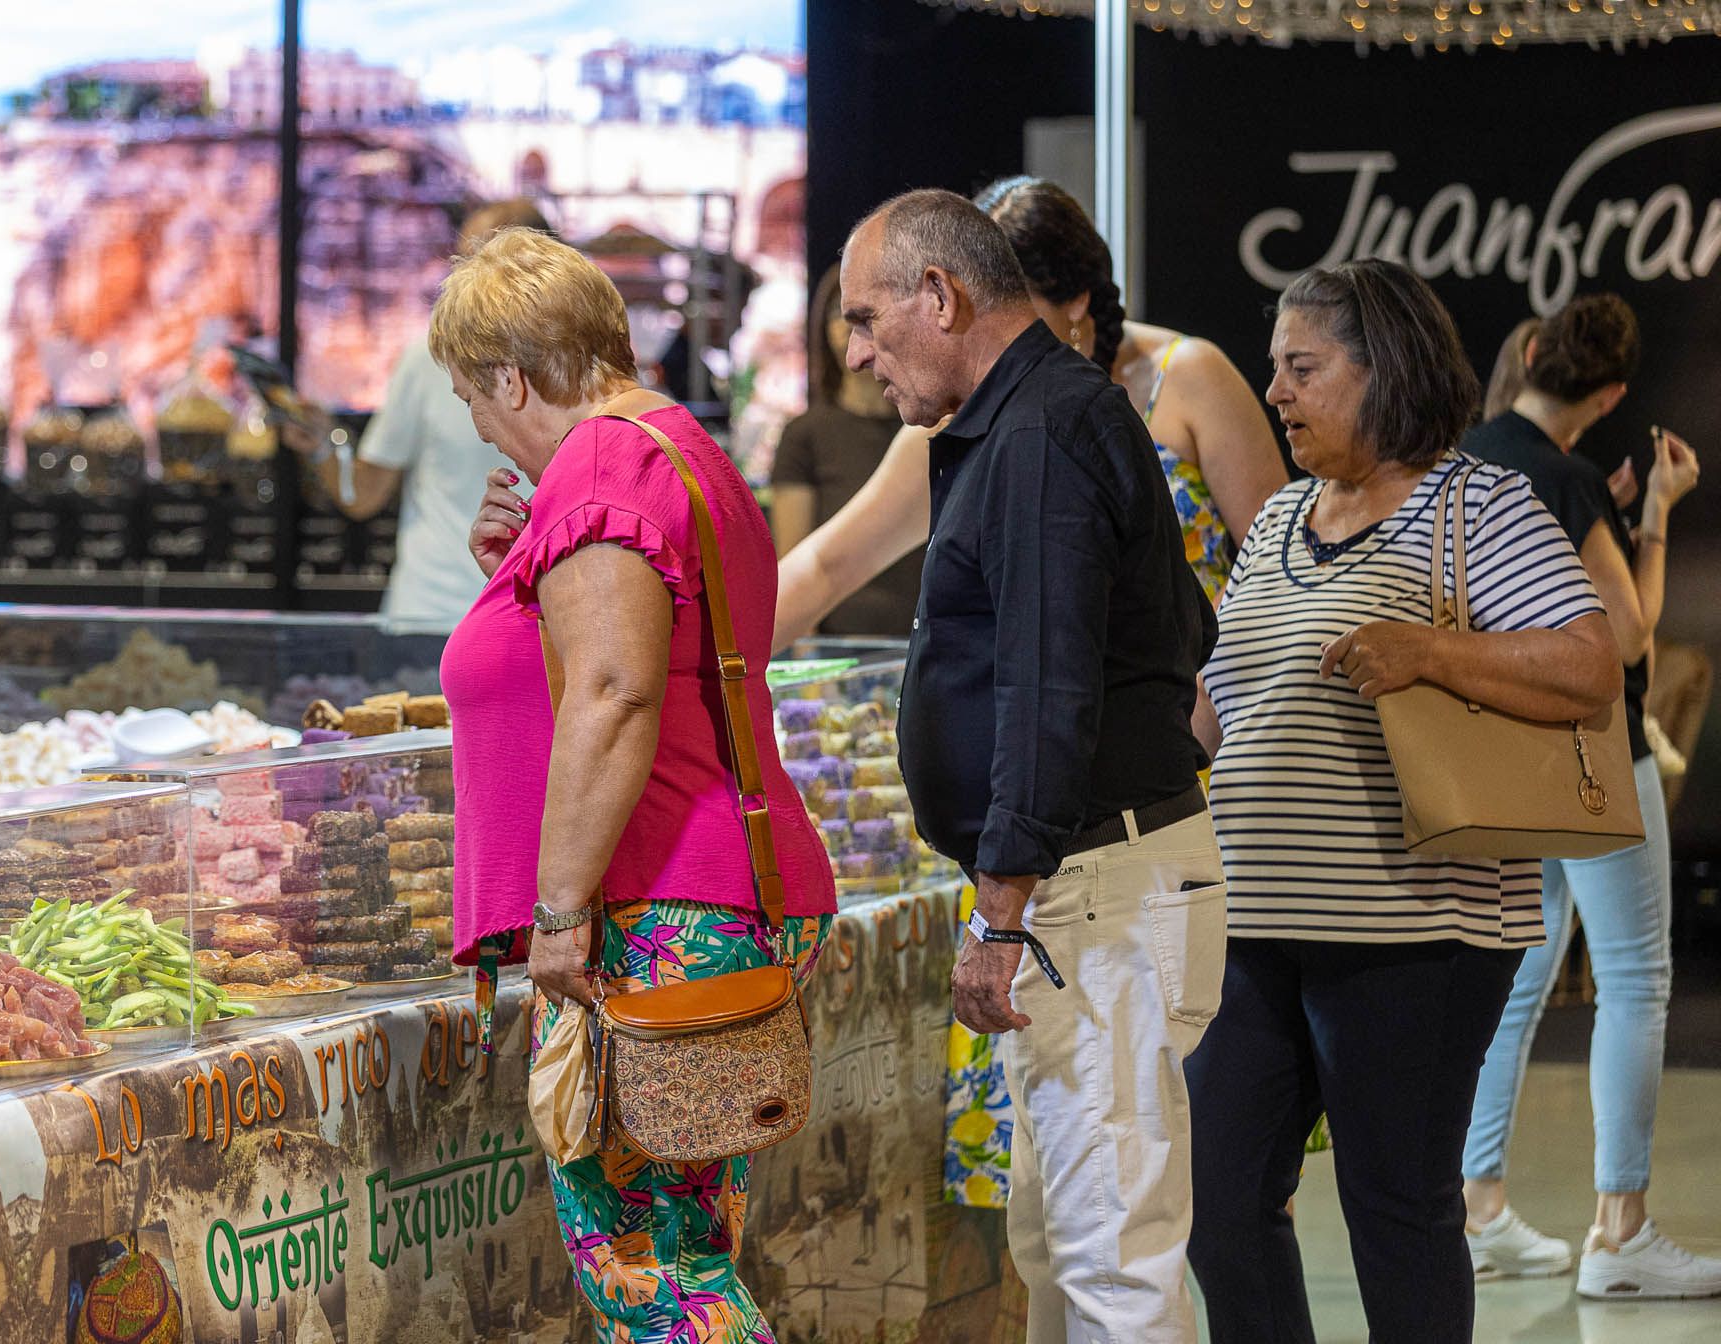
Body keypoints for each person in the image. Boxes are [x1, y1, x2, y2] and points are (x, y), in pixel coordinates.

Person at [1186, 259, 1623, 1344]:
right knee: (1218, 1206)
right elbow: (1220, 706)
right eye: (1274, 369)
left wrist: (1430, 650)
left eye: (1302, 368)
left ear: (1385, 372)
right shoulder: (1282, 517)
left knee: (1396, 1210)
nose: (1275, 393)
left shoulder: (1478, 501)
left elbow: (1590, 666)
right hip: (1252, 925)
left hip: (1418, 930)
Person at [433, 227, 837, 1341]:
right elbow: (602, 659)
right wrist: (519, 580)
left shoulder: (603, 468)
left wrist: (559, 909)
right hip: (707, 902)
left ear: (513, 376)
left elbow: (614, 695)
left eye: (471, 393)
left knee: (652, 1273)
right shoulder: (661, 443)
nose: (474, 418)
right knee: (685, 1255)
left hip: (659, 910)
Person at [841, 187, 1224, 1342]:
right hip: (1086, 885)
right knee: (1061, 1247)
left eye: (868, 321)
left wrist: (1002, 910)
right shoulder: (1024, 420)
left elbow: (1049, 686)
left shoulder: (1044, 429)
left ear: (940, 296)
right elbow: (1176, 637)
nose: (860, 356)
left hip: (1091, 893)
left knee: (1113, 1257)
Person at [1458, 294, 1714, 1298]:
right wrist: (1652, 513)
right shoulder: (1563, 480)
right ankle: (1622, 1225)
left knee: (1519, 979)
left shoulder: (1464, 460)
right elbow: (1631, 636)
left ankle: (1477, 1208)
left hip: (1505, 753)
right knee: (1634, 979)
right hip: (1595, 754)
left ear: (1526, 352)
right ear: (1608, 393)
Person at [774, 177, 1284, 647]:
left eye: (1011, 307)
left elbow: (1279, 570)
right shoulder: (956, 417)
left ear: (1076, 302)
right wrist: (716, 667)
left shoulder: (1189, 374)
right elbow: (826, 566)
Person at [293, 199, 553, 625]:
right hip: (433, 620)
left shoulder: (574, 370)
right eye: (463, 264)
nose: (461, 281)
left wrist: (324, 443)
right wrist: (323, 442)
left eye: (480, 263)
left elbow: (362, 494)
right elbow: (364, 494)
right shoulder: (428, 357)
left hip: (527, 620)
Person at [768, 262, 920, 637]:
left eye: (865, 317)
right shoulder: (805, 434)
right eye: (840, 317)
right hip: (840, 647)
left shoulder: (923, 427)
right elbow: (799, 564)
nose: (849, 332)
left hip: (923, 644)